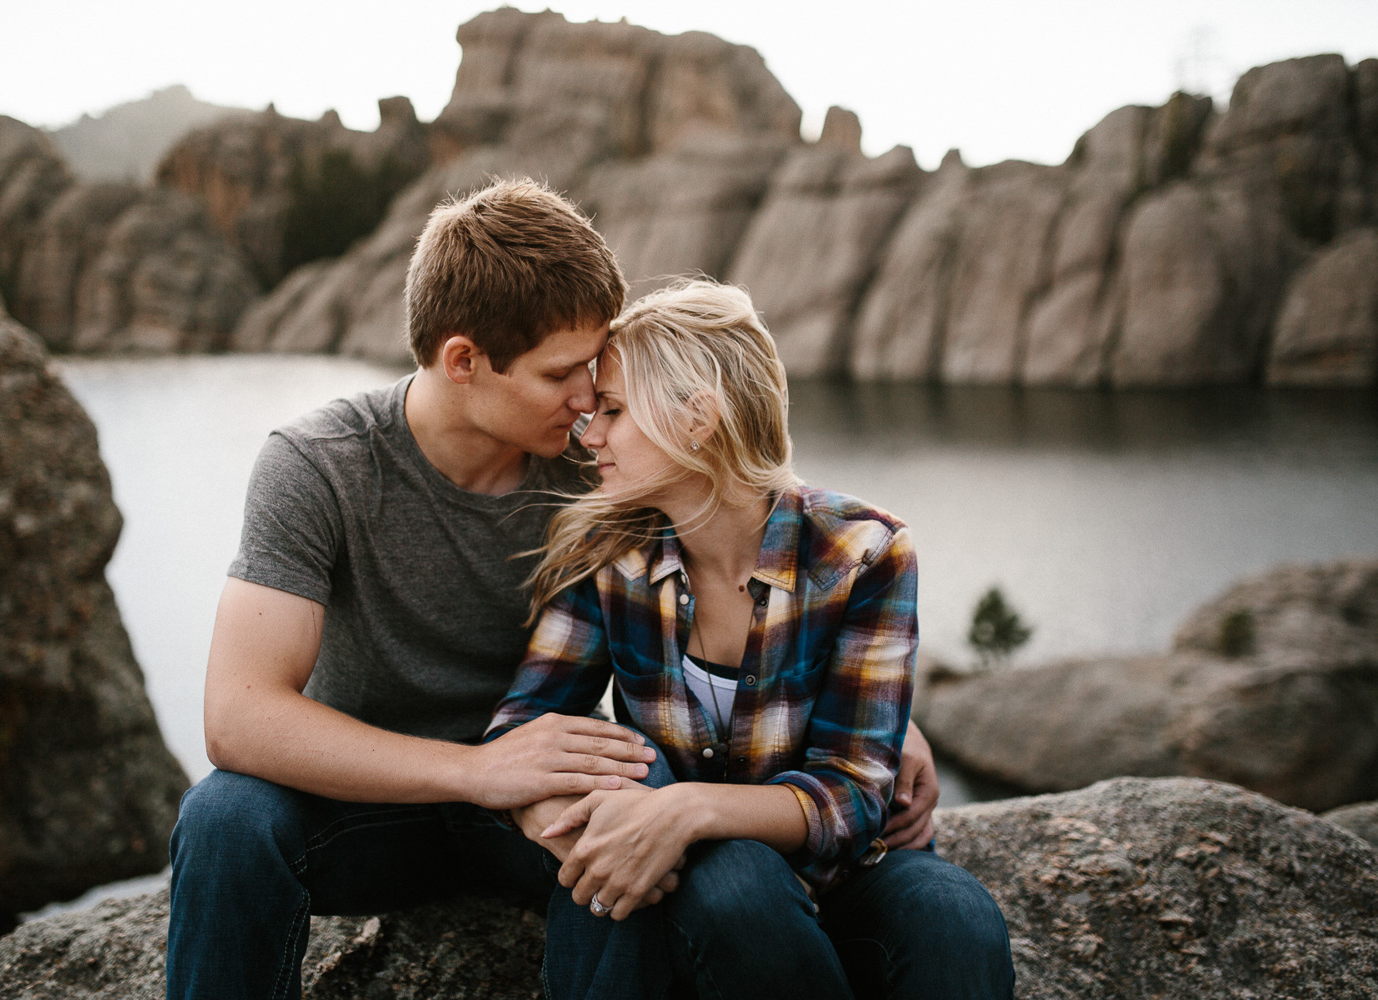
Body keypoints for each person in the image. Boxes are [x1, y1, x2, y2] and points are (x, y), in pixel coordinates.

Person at [165, 178, 943, 999]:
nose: (587, 405)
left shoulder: (605, 462)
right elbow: (239, 715)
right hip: (370, 806)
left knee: (629, 793)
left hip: (546, 806)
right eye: (562, 375)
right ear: (465, 361)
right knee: (223, 818)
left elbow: (749, 508)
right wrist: (475, 772)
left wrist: (885, 711)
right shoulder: (317, 464)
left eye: (596, 377)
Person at [487, 280, 1014, 1000]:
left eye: (612, 411)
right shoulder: (610, 555)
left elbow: (856, 797)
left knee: (957, 918)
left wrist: (684, 809)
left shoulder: (862, 552)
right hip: (691, 885)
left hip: (841, 875)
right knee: (728, 883)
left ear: (698, 418)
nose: (592, 434)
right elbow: (522, 727)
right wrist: (566, 823)